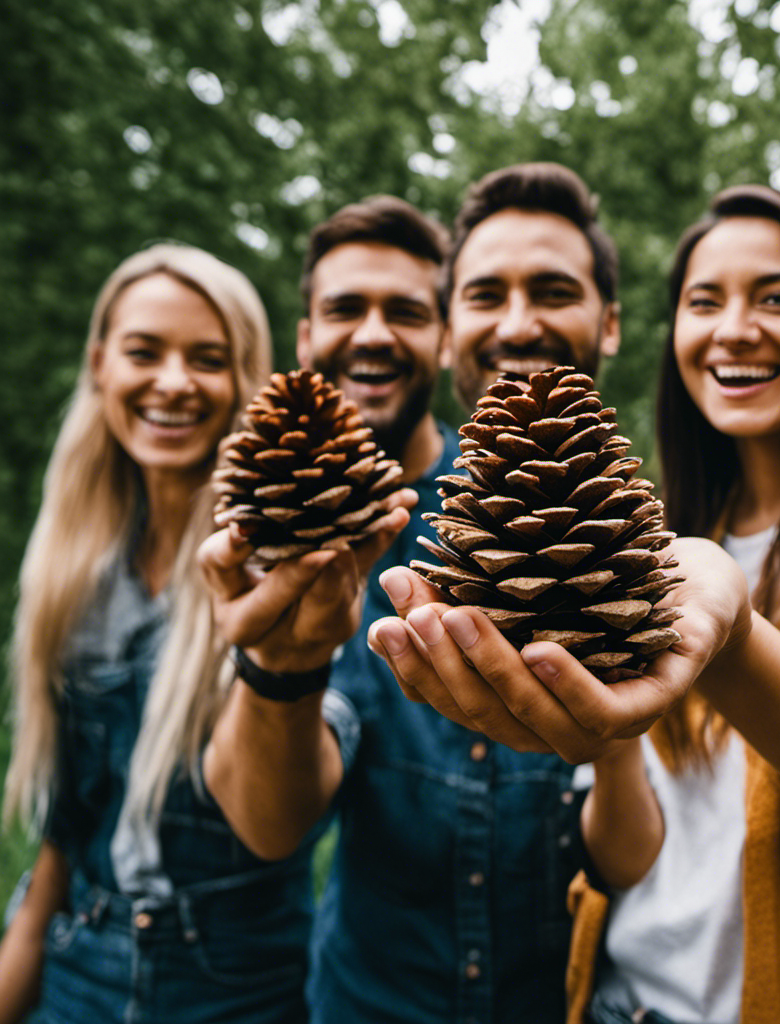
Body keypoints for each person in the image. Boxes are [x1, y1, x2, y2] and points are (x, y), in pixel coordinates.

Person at [367, 185, 780, 1024]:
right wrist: (601, 727)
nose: (734, 328)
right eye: (703, 301)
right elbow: (633, 856)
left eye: (779, 298)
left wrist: (737, 644)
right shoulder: (650, 543)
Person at [200, 165, 621, 1024]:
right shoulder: (276, 535)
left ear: (438, 338)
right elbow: (270, 827)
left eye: (406, 311)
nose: (374, 337)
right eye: (347, 309)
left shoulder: (606, 527)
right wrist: (282, 667)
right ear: (305, 334)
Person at [0, 242, 409, 1024]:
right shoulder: (72, 572)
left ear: (246, 379)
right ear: (98, 364)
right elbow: (57, 855)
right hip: (74, 977)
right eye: (144, 351)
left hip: (237, 992)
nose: (174, 382)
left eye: (208, 358)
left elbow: (278, 826)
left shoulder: (304, 563)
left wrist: (281, 665)